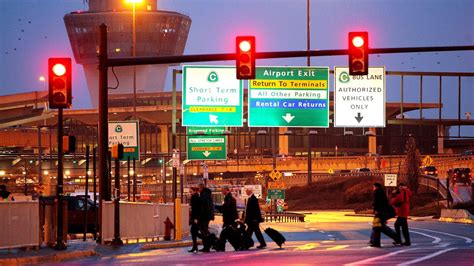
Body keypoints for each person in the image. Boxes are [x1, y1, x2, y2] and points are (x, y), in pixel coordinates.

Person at [370, 183, 398, 248]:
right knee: (379, 227)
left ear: (375, 187)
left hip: (381, 213)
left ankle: (375, 242)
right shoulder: (382, 192)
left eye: (373, 187)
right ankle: (375, 241)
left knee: (377, 227)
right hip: (384, 212)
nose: (373, 188)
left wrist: (376, 211)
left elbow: (377, 203)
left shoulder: (377, 192)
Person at [198, 183, 214, 252]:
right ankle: (206, 246)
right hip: (207, 216)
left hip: (204, 216)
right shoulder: (207, 194)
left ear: (201, 188)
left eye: (199, 188)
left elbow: (204, 206)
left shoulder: (204, 195)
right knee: (204, 230)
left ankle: (207, 246)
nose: (198, 190)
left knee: (204, 231)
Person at [188, 187, 201, 253]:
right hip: (196, 217)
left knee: (194, 231)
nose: (190, 193)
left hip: (195, 218)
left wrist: (195, 218)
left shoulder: (194, 197)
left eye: (191, 191)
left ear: (194, 191)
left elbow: (196, 208)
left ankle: (195, 246)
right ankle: (195, 246)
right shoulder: (196, 197)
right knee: (194, 232)